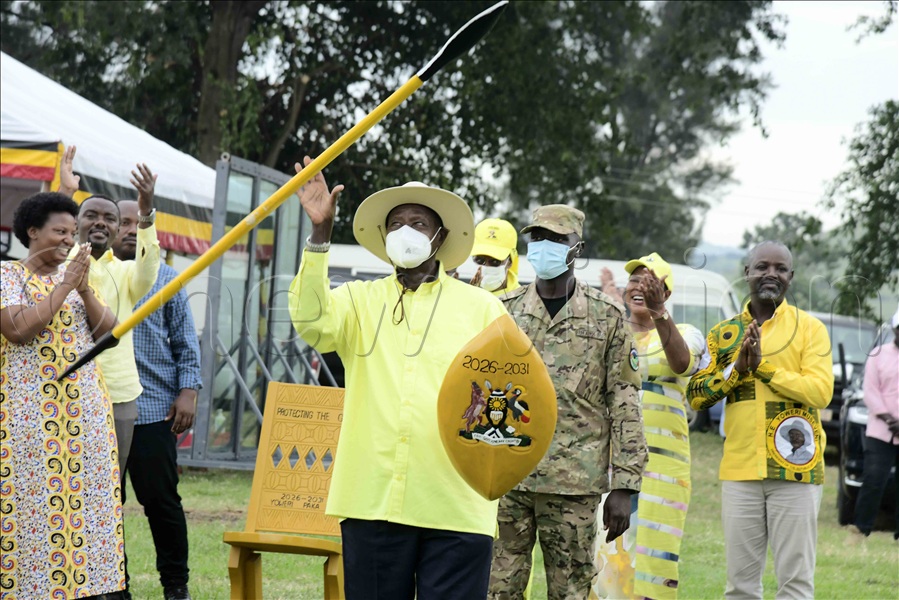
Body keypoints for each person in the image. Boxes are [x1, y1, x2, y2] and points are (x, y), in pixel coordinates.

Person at [288, 156, 507, 599]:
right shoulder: (357, 300)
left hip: (457, 504)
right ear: (385, 239)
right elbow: (311, 321)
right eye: (396, 224)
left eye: (419, 223)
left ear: (440, 236)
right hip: (373, 499)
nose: (406, 231)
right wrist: (320, 234)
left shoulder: (482, 309)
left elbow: (512, 396)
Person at [489, 205, 648, 600]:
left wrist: (625, 486)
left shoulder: (607, 316)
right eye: (537, 238)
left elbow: (625, 400)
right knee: (497, 588)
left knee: (570, 591)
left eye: (556, 239)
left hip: (574, 484)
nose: (543, 246)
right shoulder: (504, 311)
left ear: (577, 248)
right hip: (509, 476)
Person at [687, 241, 833, 599]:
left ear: (791, 278)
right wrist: (737, 370)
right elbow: (697, 394)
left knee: (795, 583)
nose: (771, 273)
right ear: (747, 272)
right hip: (740, 471)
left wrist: (763, 368)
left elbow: (819, 392)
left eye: (780, 268)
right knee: (740, 586)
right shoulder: (723, 334)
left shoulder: (810, 329)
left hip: (795, 471)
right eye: (762, 266)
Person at [1, 192, 125, 598]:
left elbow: (110, 333)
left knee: (87, 511)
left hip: (84, 416)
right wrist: (65, 286)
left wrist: (84, 290)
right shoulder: (9, 276)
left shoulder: (74, 279)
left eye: (73, 232)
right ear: (32, 232)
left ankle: (86, 589)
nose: (69, 240)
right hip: (29, 417)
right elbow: (18, 330)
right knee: (32, 509)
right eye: (60, 231)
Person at [593, 253, 709, 600]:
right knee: (606, 562)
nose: (639, 287)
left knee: (655, 567)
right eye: (634, 281)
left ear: (666, 293)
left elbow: (682, 362)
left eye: (649, 281)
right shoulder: (609, 331)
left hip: (664, 473)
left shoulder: (685, 333)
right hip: (611, 467)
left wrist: (660, 315)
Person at [112, 201, 202, 600]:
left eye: (139, 222)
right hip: (102, 413)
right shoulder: (90, 277)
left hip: (153, 410)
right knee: (104, 507)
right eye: (123, 222)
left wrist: (188, 391)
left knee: (162, 503)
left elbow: (186, 342)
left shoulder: (166, 277)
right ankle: (114, 588)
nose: (131, 229)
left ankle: (175, 586)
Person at [61, 146, 161, 478]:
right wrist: (64, 195)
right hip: (64, 383)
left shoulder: (127, 274)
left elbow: (148, 270)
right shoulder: (61, 260)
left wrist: (146, 213)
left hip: (118, 392)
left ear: (118, 231)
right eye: (91, 215)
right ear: (76, 223)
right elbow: (53, 242)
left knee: (108, 483)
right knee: (62, 476)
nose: (100, 223)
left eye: (110, 219)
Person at [851, 308, 899, 540]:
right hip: (881, 431)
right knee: (873, 479)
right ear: (894, 330)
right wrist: (889, 418)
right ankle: (862, 528)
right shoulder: (879, 354)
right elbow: (870, 391)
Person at [469, 218, 520, 295]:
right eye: (479, 260)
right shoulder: (463, 297)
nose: (486, 267)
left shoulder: (524, 301)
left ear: (510, 262)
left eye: (495, 261)